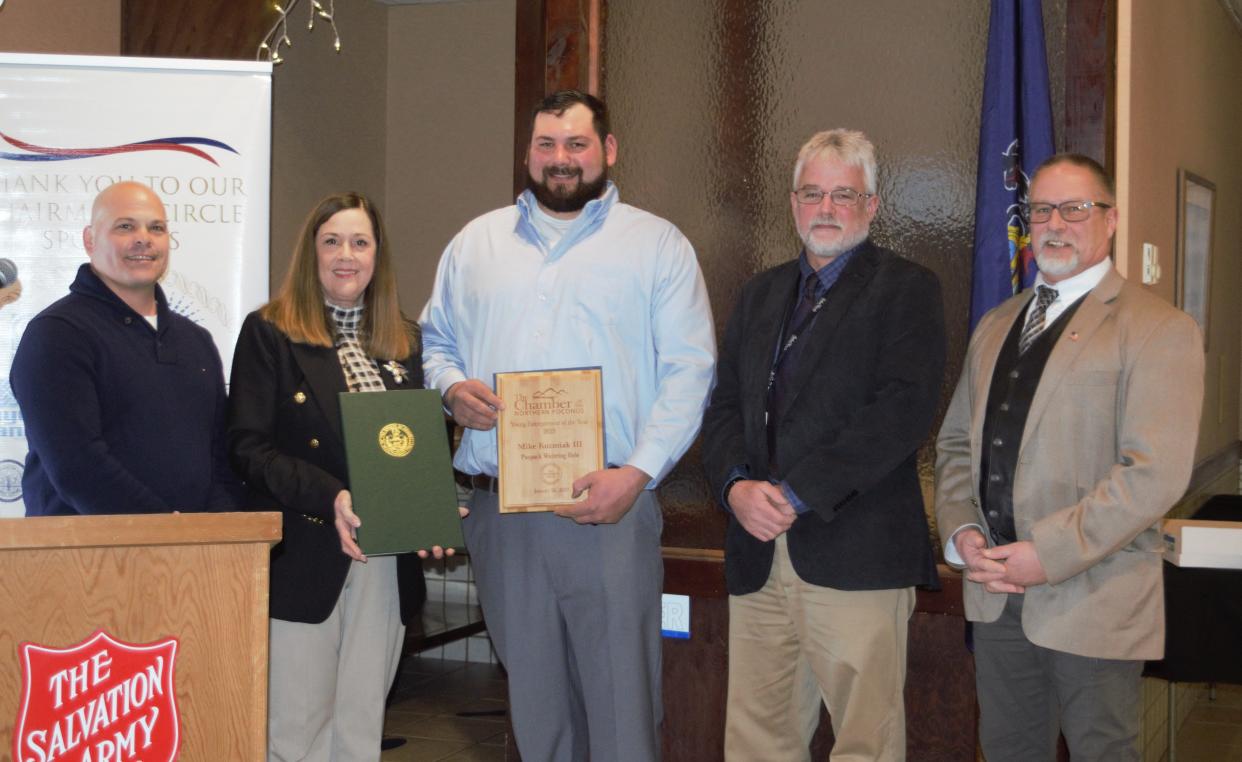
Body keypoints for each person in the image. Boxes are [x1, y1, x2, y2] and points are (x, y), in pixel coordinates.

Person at [420, 89, 716, 761]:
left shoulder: (657, 246)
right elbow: (436, 343)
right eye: (547, 145)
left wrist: (637, 475)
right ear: (528, 153)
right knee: (535, 707)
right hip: (503, 516)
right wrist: (450, 390)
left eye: (577, 144)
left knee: (621, 708)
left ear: (608, 151)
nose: (561, 160)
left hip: (607, 509)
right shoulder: (476, 244)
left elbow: (690, 372)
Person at [934, 153, 1205, 761]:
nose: (1055, 223)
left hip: (1096, 600)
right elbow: (955, 445)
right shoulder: (996, 325)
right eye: (1041, 210)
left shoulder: (1158, 329)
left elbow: (1153, 473)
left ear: (1111, 220)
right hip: (997, 595)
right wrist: (962, 529)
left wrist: (1047, 555)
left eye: (1076, 209)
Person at [701, 129, 945, 761]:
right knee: (757, 741)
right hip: (758, 554)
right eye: (813, 193)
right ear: (793, 203)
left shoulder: (906, 289)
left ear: (871, 205)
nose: (827, 209)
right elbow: (724, 405)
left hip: (855, 553)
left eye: (844, 194)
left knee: (866, 743)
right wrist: (735, 488)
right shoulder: (760, 294)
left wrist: (795, 492)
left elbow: (901, 412)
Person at [227, 192, 425, 761]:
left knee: (362, 721)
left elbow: (409, 449)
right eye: (332, 241)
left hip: (384, 558)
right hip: (306, 549)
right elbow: (247, 448)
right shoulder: (270, 331)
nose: (346, 255)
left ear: (377, 256)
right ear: (310, 252)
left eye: (360, 242)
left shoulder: (404, 340)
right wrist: (331, 495)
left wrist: (427, 508)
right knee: (298, 726)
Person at [11, 181, 242, 516]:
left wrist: (221, 533)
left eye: (156, 228)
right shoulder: (56, 334)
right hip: (83, 559)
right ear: (90, 240)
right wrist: (167, 532)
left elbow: (219, 459)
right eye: (125, 226)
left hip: (195, 559)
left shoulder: (196, 341)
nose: (143, 238)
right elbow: (77, 465)